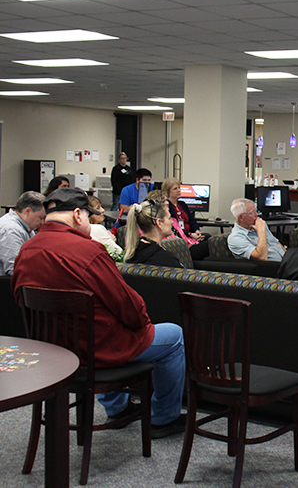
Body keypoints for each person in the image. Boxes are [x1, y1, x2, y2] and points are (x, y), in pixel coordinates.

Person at [11, 188, 186, 438]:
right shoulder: (87, 252)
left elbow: (20, 299)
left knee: (104, 326)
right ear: (78, 215)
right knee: (174, 336)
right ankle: (163, 418)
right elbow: (128, 305)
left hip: (53, 351)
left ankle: (118, 408)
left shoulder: (26, 250)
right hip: (96, 350)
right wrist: (140, 324)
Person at [123, 199, 182, 268]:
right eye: (169, 218)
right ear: (159, 223)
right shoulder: (168, 261)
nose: (172, 222)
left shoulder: (132, 254)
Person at [162, 177, 210, 261]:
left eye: (179, 188)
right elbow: (174, 229)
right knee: (208, 244)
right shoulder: (167, 206)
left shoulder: (182, 204)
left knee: (208, 237)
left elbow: (192, 221)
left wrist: (197, 231)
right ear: (168, 191)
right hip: (182, 237)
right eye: (175, 189)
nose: (179, 190)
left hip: (192, 235)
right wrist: (190, 235)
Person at [0, 191, 46, 275]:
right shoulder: (11, 229)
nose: (42, 223)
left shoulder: (27, 227)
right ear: (27, 211)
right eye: (40, 218)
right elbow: (15, 269)